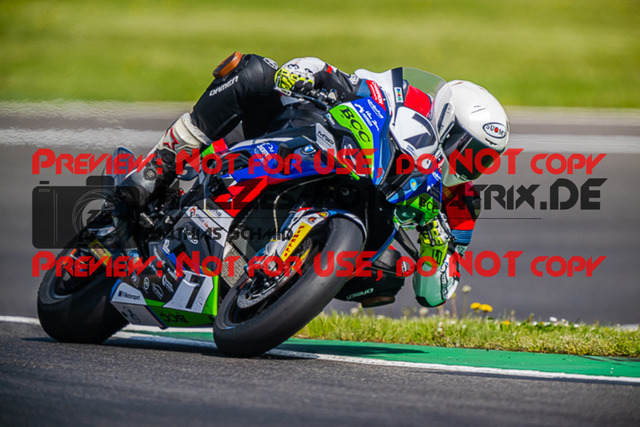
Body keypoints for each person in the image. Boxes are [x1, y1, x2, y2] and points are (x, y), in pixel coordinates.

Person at [123, 52, 510, 309]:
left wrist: (436, 250)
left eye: (484, 159)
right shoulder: (407, 99)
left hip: (365, 231)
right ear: (446, 122)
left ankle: (280, 284)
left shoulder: (461, 203)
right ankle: (156, 169)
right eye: (467, 148)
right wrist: (308, 73)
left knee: (389, 273)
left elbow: (434, 295)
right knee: (255, 71)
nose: (470, 164)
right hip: (328, 151)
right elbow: (342, 77)